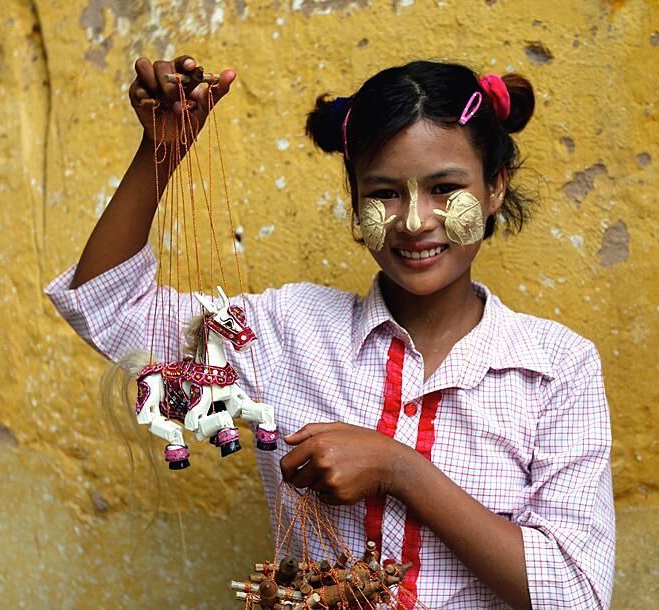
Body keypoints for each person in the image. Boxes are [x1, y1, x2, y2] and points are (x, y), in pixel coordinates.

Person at [46, 55, 615, 609]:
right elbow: (110, 306)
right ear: (354, 201)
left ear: (495, 187)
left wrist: (400, 469)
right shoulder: (287, 331)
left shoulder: (556, 369)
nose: (414, 221)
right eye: (384, 193)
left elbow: (574, 594)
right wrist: (160, 150)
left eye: (445, 189)